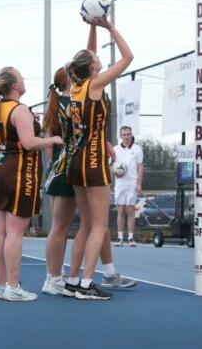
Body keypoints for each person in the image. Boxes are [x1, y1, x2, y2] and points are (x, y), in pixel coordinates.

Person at [42, 66, 137, 296]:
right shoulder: (72, 99)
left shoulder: (68, 99)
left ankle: (104, 271)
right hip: (71, 165)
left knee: (93, 223)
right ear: (70, 80)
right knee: (72, 225)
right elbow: (59, 137)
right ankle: (56, 277)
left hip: (70, 163)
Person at [64, 16, 133, 300]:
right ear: (92, 66)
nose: (98, 59)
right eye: (95, 59)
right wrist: (110, 28)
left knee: (86, 225)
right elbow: (128, 57)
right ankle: (86, 284)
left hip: (75, 160)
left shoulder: (76, 85)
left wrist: (91, 26)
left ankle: (71, 281)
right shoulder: (95, 84)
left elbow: (87, 53)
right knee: (101, 226)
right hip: (93, 163)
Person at [0, 66, 63, 301]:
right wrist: (52, 139)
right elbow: (28, 143)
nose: (24, 79)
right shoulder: (20, 110)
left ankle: (0, 283)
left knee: (1, 231)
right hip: (16, 171)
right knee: (15, 232)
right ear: (15, 85)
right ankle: (13, 286)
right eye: (21, 77)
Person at [113, 126, 144, 247]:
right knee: (120, 211)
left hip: (132, 183)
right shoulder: (115, 149)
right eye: (124, 135)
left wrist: (139, 183)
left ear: (131, 135)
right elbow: (111, 166)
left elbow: (140, 167)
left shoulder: (137, 149)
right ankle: (120, 238)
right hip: (120, 184)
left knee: (131, 211)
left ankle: (131, 238)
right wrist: (115, 172)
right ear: (120, 136)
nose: (126, 137)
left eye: (128, 134)